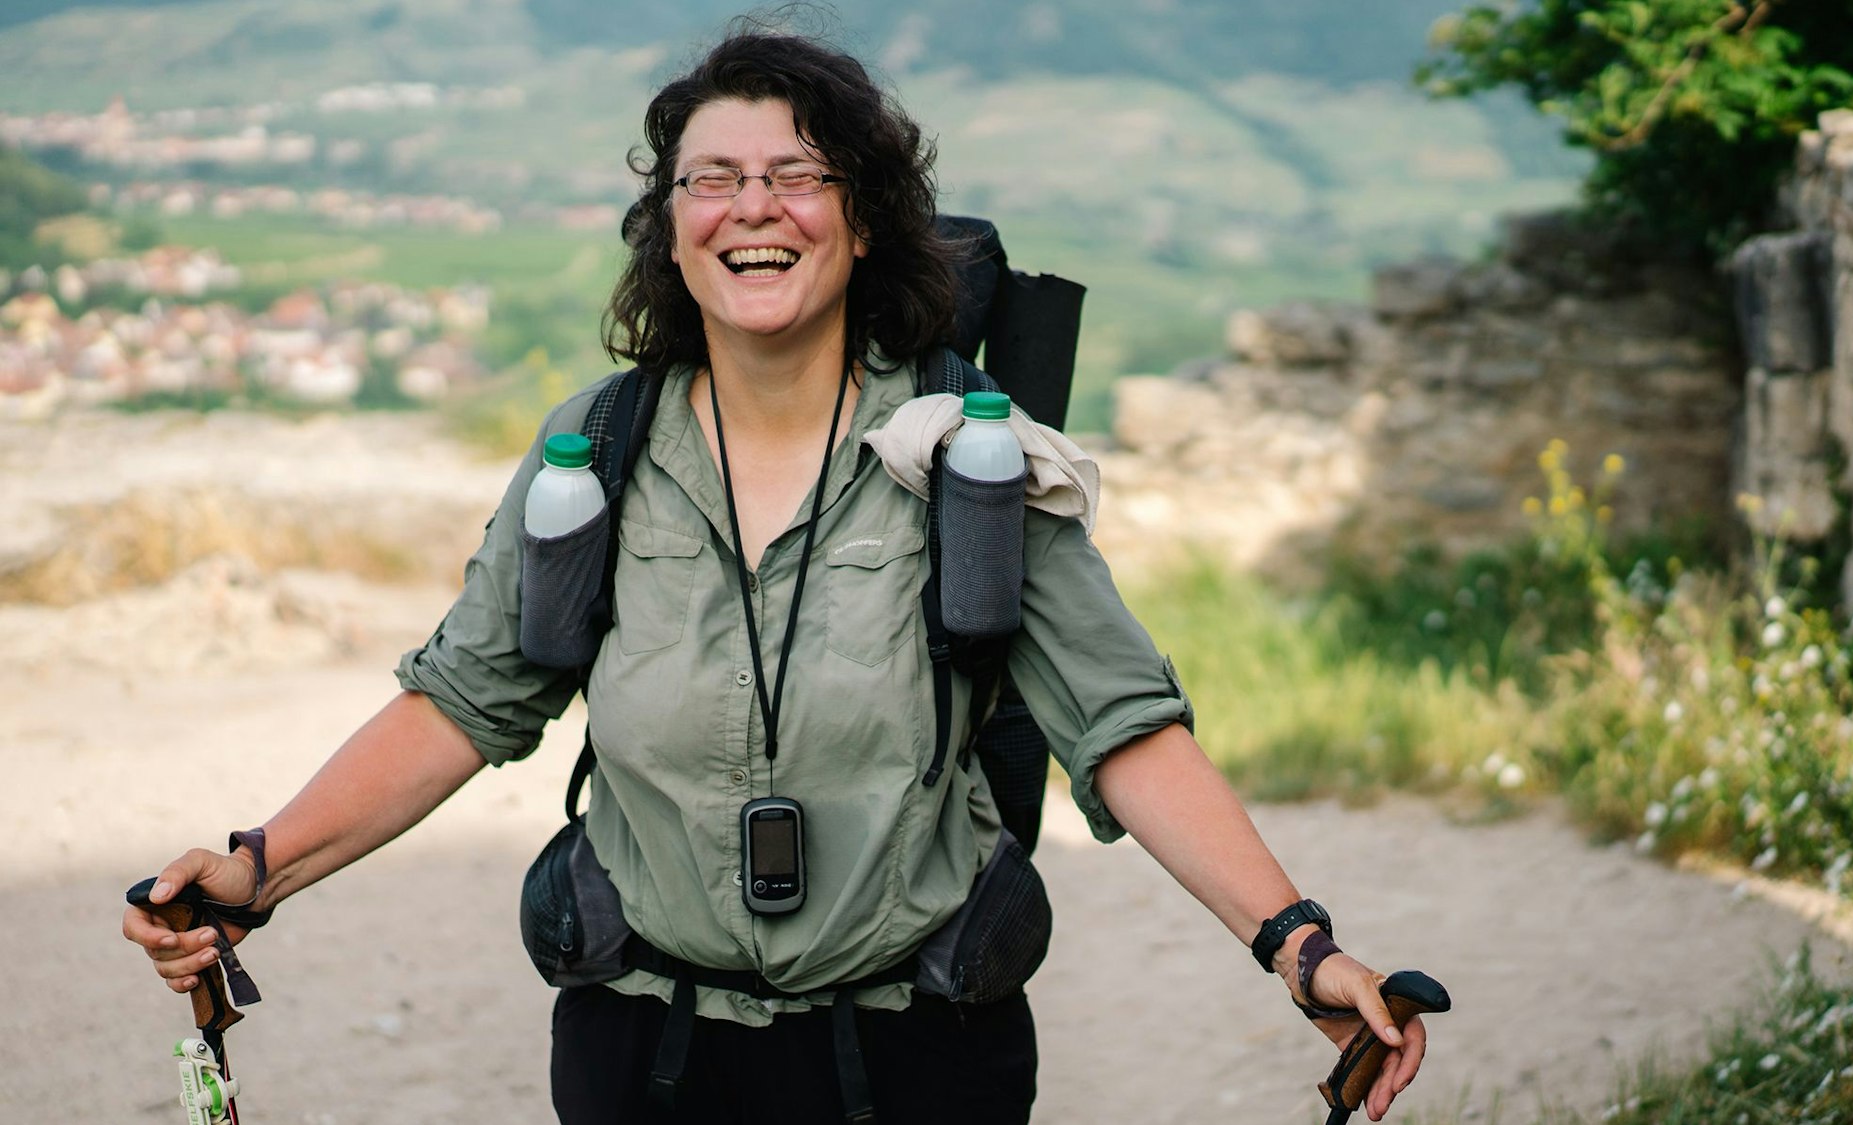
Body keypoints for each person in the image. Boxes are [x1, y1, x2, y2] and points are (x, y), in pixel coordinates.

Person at [123, 23, 1429, 1124]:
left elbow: (1126, 724)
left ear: (863, 225)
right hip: (646, 1055)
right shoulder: (603, 454)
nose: (755, 206)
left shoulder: (966, 457)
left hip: (919, 1060)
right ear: (673, 232)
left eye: (799, 174)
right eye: (714, 179)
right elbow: (463, 699)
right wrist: (257, 869)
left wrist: (1297, 947)